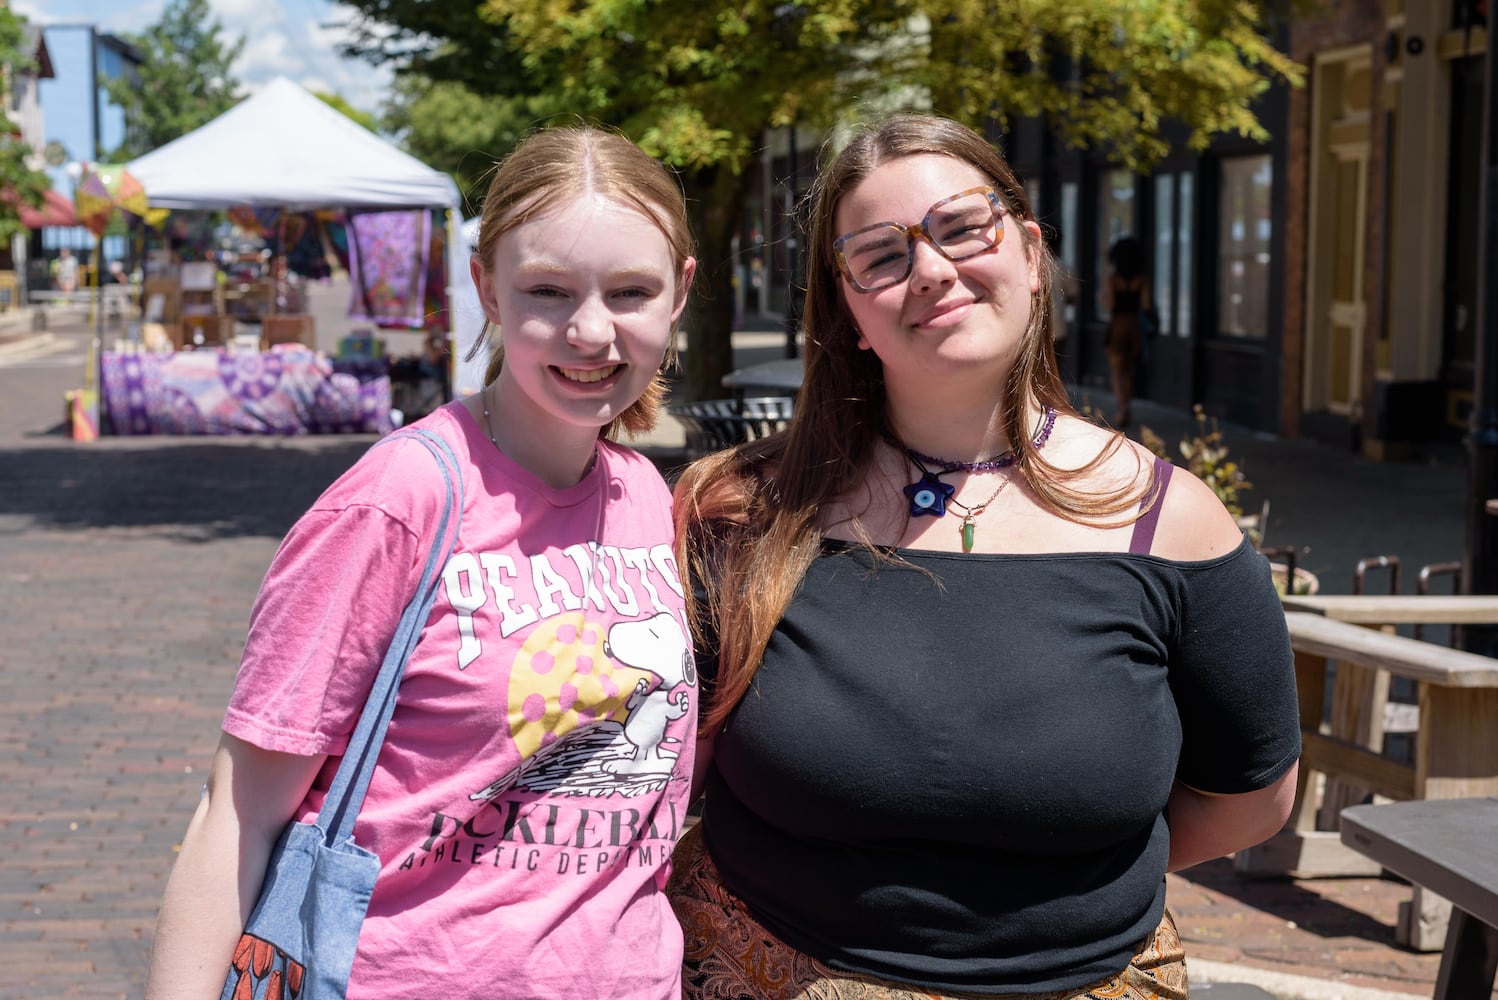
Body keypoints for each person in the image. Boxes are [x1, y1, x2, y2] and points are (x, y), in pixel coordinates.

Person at [669, 113, 1300, 1000]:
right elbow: (655, 777)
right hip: (765, 968)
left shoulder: (1172, 524)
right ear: (845, 309)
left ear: (1032, 255)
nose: (932, 269)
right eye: (882, 256)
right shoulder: (742, 512)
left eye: (964, 227)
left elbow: (1252, 798)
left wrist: (1043, 880)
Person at [144, 125, 699, 999]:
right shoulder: (398, 499)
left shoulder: (652, 501)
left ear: (679, 296)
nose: (593, 331)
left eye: (631, 291)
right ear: (485, 287)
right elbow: (239, 812)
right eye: (548, 290)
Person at [1102, 234, 1151, 427]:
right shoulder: (1142, 280)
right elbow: (1146, 306)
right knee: (1129, 369)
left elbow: (1111, 304)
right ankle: (1127, 406)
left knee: (1116, 369)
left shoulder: (1113, 279)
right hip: (1134, 326)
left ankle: (1121, 408)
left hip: (1117, 325)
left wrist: (1103, 299)